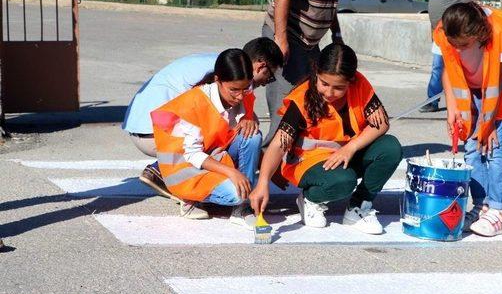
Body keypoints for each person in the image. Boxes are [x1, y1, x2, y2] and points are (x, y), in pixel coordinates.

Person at [250, 44, 402, 235]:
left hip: (345, 155)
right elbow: (279, 144)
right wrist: (263, 182)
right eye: (324, 84)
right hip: (309, 161)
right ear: (316, 73)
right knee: (344, 181)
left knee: (390, 148)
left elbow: (381, 123)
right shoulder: (302, 99)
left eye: (339, 87)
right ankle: (310, 199)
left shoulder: (360, 84)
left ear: (351, 80)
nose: (330, 93)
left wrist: (350, 148)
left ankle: (358, 206)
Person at [122, 38, 282, 201]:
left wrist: (266, 164)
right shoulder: (215, 78)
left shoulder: (228, 68)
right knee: (212, 136)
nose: (265, 83)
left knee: (244, 132)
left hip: (142, 124)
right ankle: (169, 174)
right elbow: (197, 117)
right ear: (261, 66)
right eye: (269, 76)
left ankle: (170, 172)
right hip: (154, 131)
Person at [262, 0, 376, 145]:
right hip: (288, 35)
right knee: (286, 107)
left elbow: (329, 0)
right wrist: (280, 40)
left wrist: (337, 35)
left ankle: (300, 156)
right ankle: (270, 168)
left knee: (314, 100)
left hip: (310, 43)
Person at [437, 2, 502, 237]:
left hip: (498, 101)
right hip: (471, 94)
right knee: (472, 150)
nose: (458, 49)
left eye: (463, 45)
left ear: (478, 34)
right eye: (454, 44)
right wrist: (452, 106)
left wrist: (491, 124)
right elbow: (449, 69)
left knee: (494, 151)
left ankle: (497, 210)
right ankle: (480, 206)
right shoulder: (452, 34)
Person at [150, 49, 262, 224]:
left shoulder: (243, 93)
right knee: (236, 194)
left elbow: (240, 126)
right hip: (187, 171)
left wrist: (250, 118)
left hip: (215, 157)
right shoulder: (194, 103)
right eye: (234, 90)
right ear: (217, 80)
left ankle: (242, 206)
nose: (240, 96)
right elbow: (193, 155)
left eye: (245, 88)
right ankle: (190, 198)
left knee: (253, 136)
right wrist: (232, 173)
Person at [420, 0, 474, 113]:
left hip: (454, 33)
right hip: (437, 34)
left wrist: (464, 31)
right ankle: (432, 101)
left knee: (457, 69)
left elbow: (468, 4)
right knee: (437, 67)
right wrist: (432, 30)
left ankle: (465, 102)